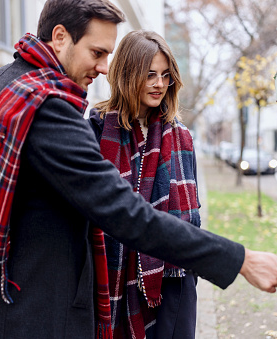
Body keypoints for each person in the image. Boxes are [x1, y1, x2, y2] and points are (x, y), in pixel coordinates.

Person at [0, 0, 277, 338]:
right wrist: (240, 259)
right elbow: (125, 212)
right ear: (59, 37)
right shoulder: (48, 107)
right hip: (32, 307)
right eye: (97, 53)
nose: (103, 68)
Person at [89, 30, 199, 339]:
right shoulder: (96, 130)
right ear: (127, 73)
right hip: (109, 278)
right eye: (149, 74)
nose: (159, 84)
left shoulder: (180, 137)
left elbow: (191, 217)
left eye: (165, 75)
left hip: (171, 284)